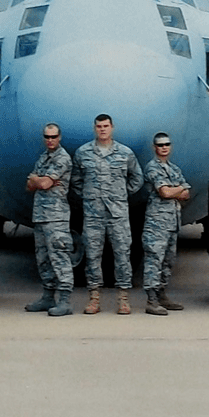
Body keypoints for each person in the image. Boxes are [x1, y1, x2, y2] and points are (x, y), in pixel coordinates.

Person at [71, 113, 143, 315]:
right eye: (99, 126)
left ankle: (123, 299)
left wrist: (120, 194)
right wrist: (89, 196)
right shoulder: (83, 153)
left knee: (122, 255)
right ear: (94, 128)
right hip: (93, 215)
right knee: (93, 256)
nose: (102, 129)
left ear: (112, 127)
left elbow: (137, 178)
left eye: (106, 126)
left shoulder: (125, 153)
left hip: (118, 214)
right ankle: (94, 299)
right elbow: (76, 180)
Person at [24, 123, 74, 316]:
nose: (50, 140)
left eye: (53, 136)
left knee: (60, 258)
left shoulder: (62, 158)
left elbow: (43, 183)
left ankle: (65, 301)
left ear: (59, 137)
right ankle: (47, 297)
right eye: (47, 136)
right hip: (40, 216)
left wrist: (38, 179)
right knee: (43, 259)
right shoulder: (43, 158)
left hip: (56, 217)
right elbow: (29, 185)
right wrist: (38, 180)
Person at [141, 132, 190, 316]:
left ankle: (162, 295)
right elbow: (165, 193)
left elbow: (187, 194)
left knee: (168, 261)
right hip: (157, 223)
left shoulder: (174, 169)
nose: (164, 147)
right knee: (154, 259)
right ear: (155, 147)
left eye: (167, 144)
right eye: (160, 145)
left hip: (172, 222)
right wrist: (180, 189)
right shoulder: (152, 168)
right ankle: (151, 300)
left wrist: (176, 190)